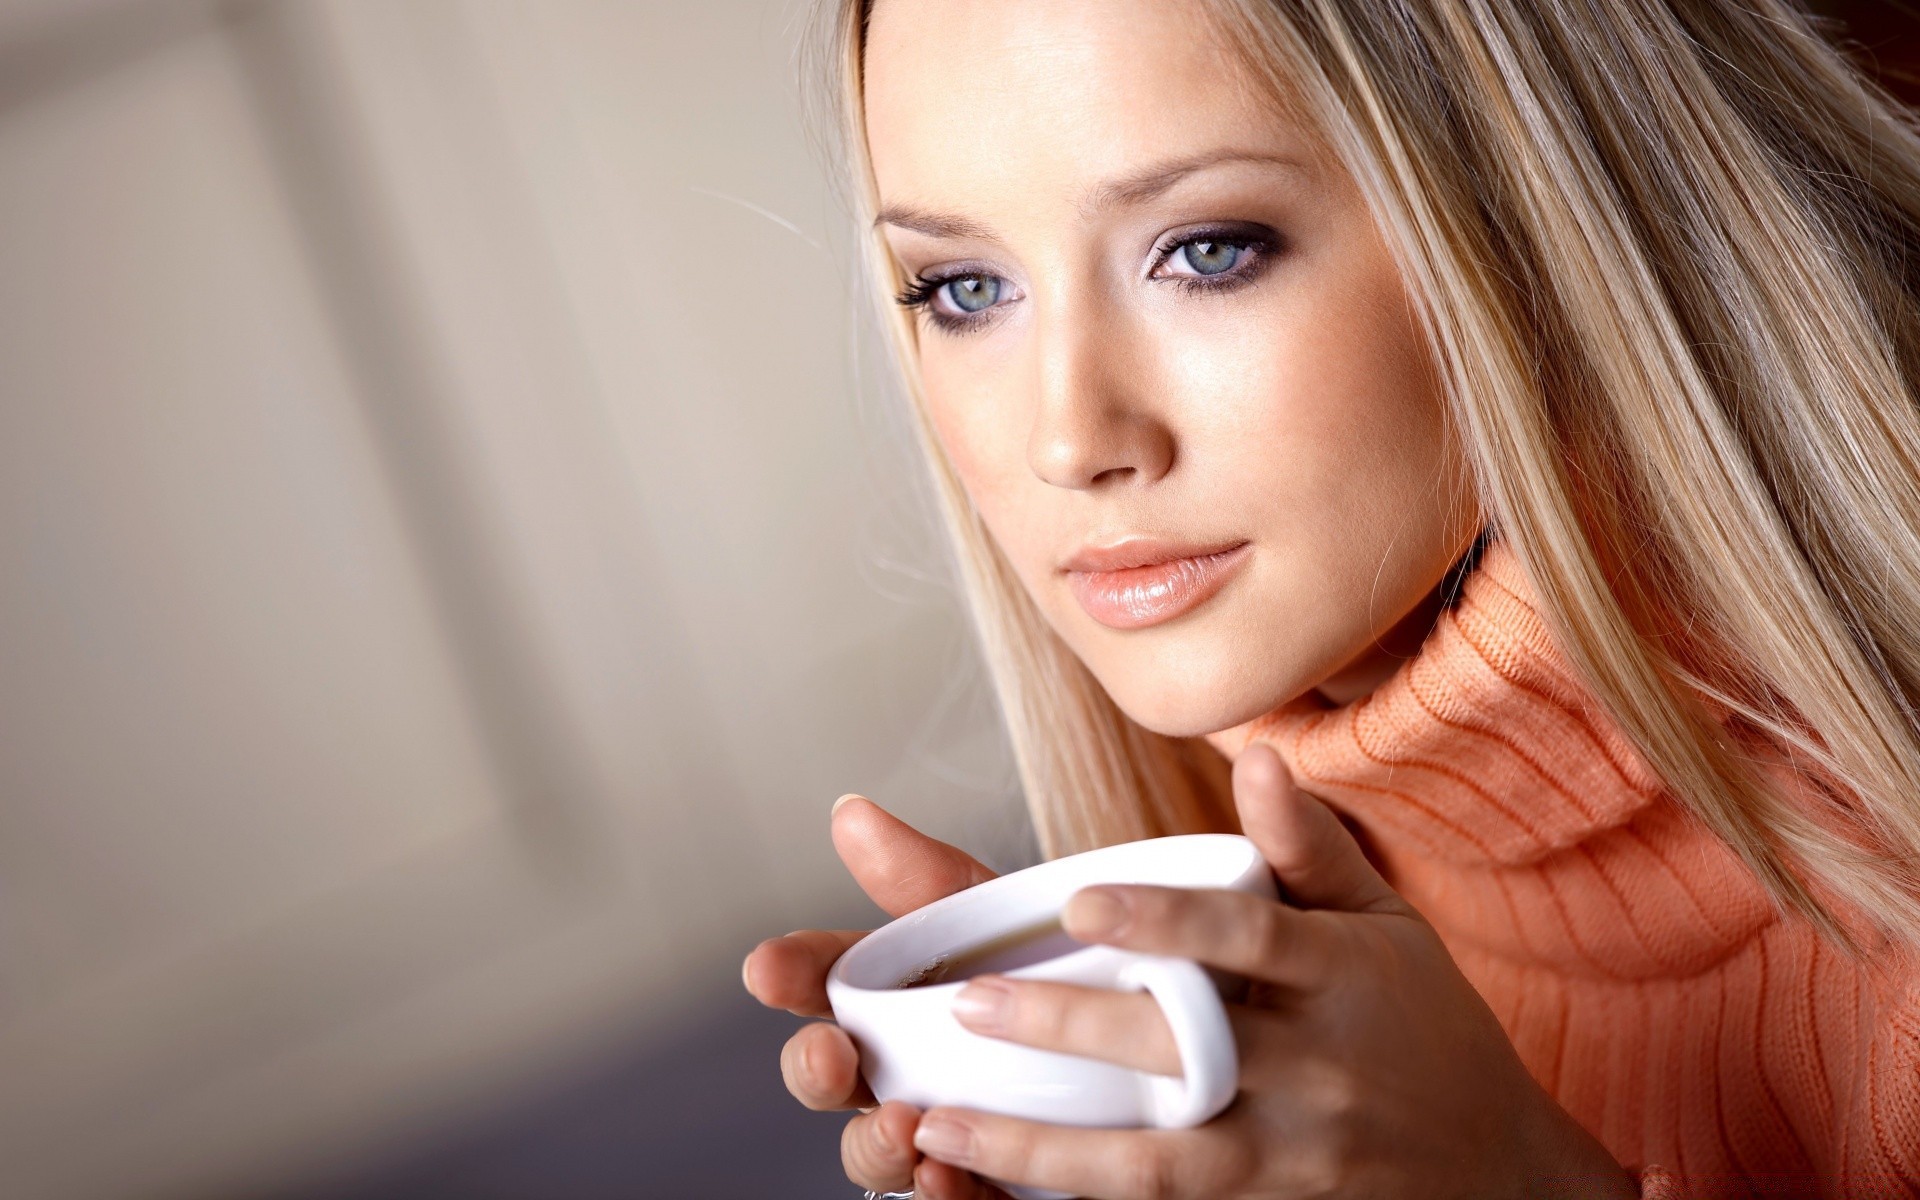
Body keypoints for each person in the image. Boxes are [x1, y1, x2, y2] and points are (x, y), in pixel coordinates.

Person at [741, 0, 1920, 1196]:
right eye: (964, 290)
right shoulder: (1222, 878)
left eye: (1206, 249)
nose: (1068, 439)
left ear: (1529, 207)